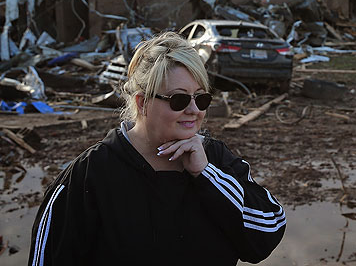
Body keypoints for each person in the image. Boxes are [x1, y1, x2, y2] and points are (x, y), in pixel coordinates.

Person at [29, 31, 285, 265]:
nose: (194, 110)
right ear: (142, 103)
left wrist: (206, 174)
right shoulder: (89, 175)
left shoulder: (215, 159)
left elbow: (266, 233)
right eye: (179, 99)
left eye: (202, 98)